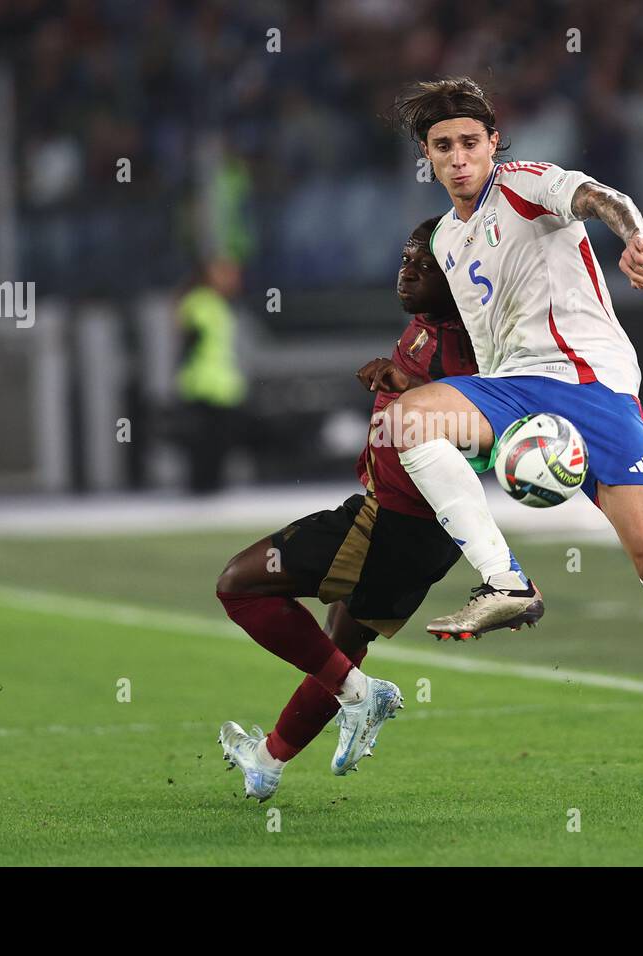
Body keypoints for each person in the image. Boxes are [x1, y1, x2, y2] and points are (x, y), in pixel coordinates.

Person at [384, 77, 643, 796]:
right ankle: (506, 581)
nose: (458, 158)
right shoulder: (447, 240)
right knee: (412, 418)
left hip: (590, 384)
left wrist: (633, 233)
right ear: (426, 157)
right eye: (442, 147)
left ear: (493, 143)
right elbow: (479, 336)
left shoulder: (524, 185)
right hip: (517, 390)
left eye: (469, 142)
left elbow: (598, 198)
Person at [214, 217, 478, 800]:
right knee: (339, 650)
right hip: (424, 531)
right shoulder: (424, 328)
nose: (406, 270)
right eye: (405, 258)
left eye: (422, 264)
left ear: (456, 275)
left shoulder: (468, 341)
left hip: (392, 522)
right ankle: (268, 761)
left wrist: (407, 388)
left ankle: (362, 695)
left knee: (238, 585)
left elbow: (476, 424)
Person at [172, 257, 249, 492]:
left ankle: (209, 488)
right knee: (205, 443)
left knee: (215, 444)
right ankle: (204, 489)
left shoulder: (215, 304)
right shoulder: (200, 303)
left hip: (218, 385)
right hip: (204, 384)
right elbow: (190, 340)